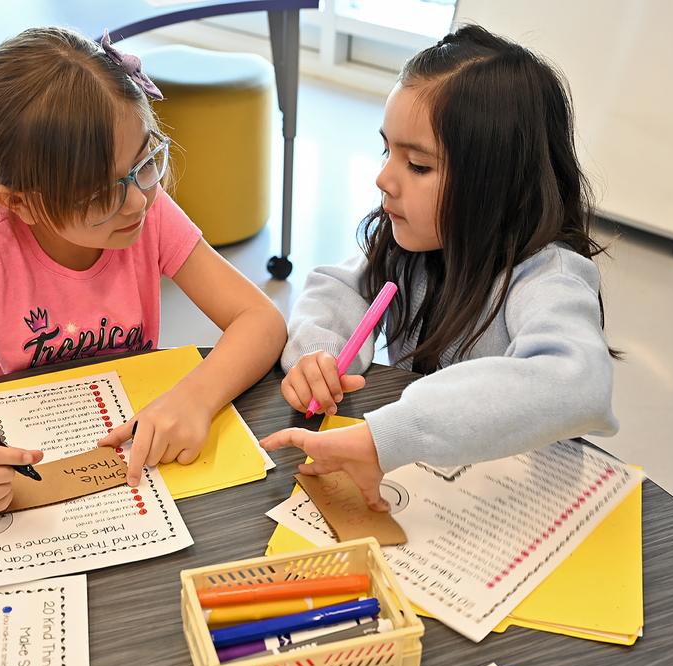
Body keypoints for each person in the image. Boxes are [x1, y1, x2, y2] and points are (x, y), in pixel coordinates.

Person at [0, 27, 287, 513]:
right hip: (22, 464)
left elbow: (260, 319)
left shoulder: (150, 215)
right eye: (99, 193)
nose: (136, 201)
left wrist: (194, 398)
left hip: (124, 448)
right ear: (19, 203)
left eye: (145, 162)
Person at [259, 24, 619, 511]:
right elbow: (340, 289)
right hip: (425, 489)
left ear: (498, 185)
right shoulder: (413, 240)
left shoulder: (547, 277)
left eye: (418, 166)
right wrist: (319, 354)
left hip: (514, 504)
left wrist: (396, 431)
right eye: (387, 150)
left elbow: (577, 382)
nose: (383, 178)